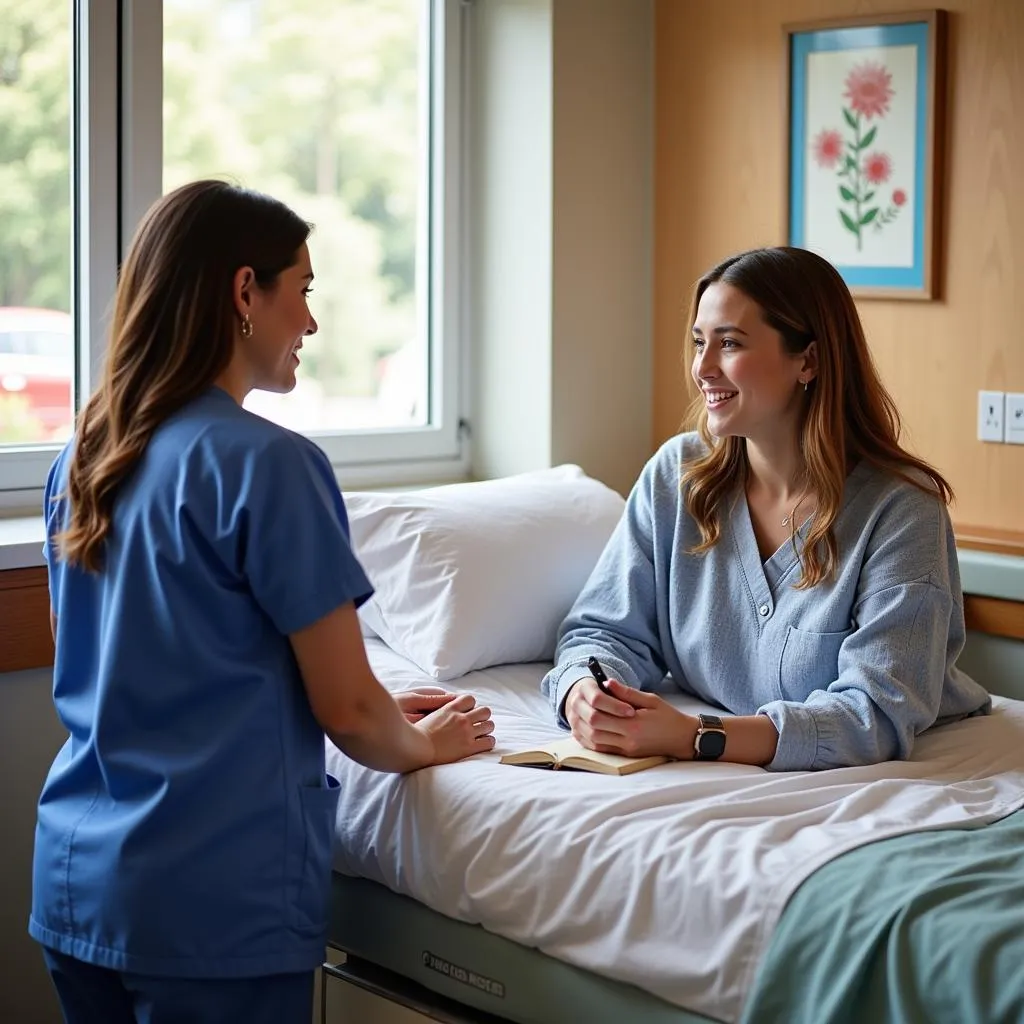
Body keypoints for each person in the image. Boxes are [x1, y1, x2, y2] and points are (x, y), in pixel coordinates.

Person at [31, 179, 496, 1024]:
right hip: (209, 903)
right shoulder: (269, 466)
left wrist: (374, 704)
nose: (311, 325)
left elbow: (121, 657)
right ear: (247, 291)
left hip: (78, 882)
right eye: (304, 292)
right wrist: (425, 744)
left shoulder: (85, 456)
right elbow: (350, 711)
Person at [542, 246, 989, 772]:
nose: (702, 368)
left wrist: (695, 735)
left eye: (729, 343)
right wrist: (584, 694)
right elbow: (604, 632)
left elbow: (876, 714)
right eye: (698, 342)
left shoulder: (901, 511)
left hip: (922, 781)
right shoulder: (675, 477)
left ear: (810, 360)